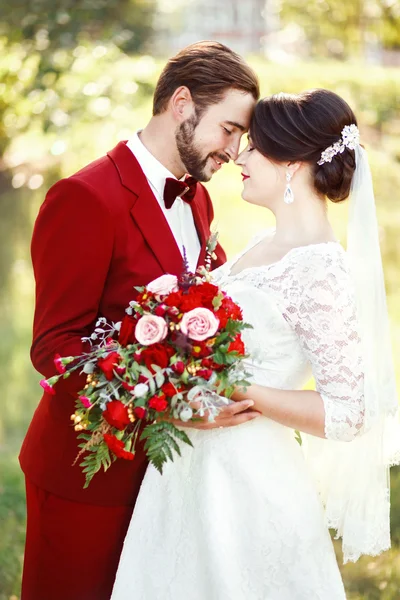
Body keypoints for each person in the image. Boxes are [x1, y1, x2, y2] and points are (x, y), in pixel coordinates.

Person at [111, 89, 399, 599]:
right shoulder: (262, 245)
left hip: (246, 485)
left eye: (255, 147)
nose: (239, 156)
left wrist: (239, 387)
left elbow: (349, 411)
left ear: (292, 163)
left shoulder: (319, 267)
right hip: (188, 471)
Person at [19, 41, 260, 600]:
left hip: (164, 475)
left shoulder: (196, 198)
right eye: (228, 129)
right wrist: (172, 402)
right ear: (182, 103)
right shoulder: (83, 197)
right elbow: (55, 347)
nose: (233, 149)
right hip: (86, 474)